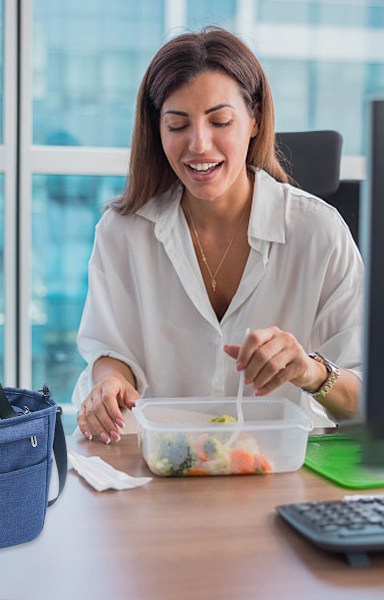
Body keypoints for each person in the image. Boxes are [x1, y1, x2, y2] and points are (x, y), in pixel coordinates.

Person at [72, 26, 363, 444]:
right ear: (156, 130)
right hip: (162, 469)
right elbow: (111, 351)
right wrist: (109, 382)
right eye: (177, 125)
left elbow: (367, 399)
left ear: (254, 121)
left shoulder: (319, 232)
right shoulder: (124, 231)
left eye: (220, 121)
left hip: (284, 472)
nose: (199, 145)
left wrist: (310, 370)